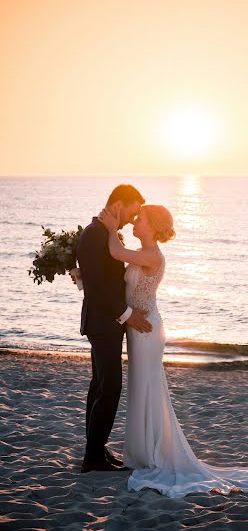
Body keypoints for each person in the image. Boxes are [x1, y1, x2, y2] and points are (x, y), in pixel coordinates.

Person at [98, 204, 248, 497]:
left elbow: (115, 252)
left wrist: (111, 228)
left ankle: (151, 455)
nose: (135, 222)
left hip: (147, 331)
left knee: (148, 387)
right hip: (138, 329)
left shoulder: (152, 255)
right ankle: (143, 452)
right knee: (142, 388)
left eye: (141, 219)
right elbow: (118, 263)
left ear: (152, 227)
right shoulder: (143, 252)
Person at [76, 184, 152, 474]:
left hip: (105, 323)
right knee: (110, 388)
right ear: (120, 204)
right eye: (134, 209)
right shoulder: (94, 234)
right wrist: (127, 314)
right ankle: (92, 458)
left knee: (99, 387)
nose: (135, 217)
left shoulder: (101, 233)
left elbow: (100, 279)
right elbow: (97, 289)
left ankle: (96, 451)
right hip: (104, 323)